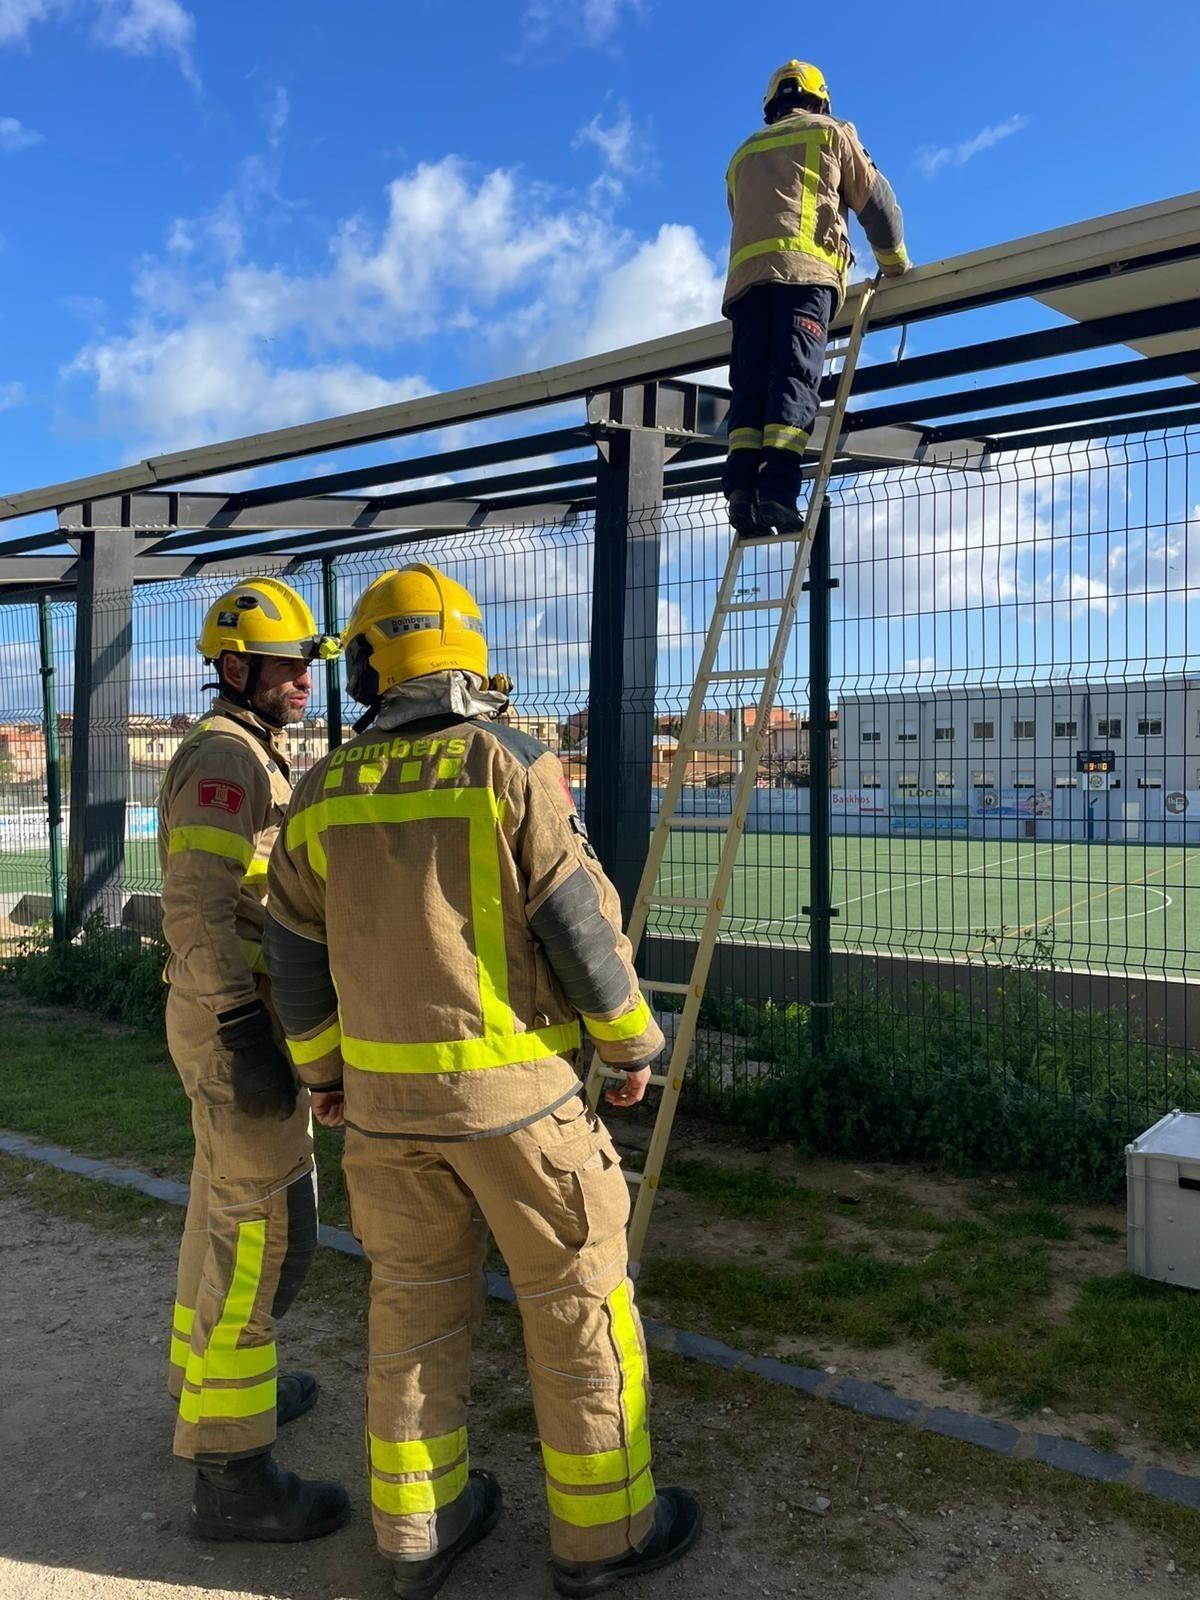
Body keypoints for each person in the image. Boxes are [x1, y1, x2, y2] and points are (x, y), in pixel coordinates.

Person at [263, 563, 701, 1598]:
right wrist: (631, 1047)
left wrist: (323, 1073)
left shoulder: (324, 787)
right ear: (462, 653)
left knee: (411, 1313)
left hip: (381, 1115)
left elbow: (289, 953)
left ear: (377, 659)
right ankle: (605, 1538)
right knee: (577, 1308)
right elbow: (580, 926)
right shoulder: (506, 763)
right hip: (522, 1108)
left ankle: (418, 1533)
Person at [157, 577, 349, 1542]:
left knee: (218, 1215)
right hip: (240, 1027)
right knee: (262, 1242)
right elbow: (196, 905)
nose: (303, 681)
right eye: (286, 665)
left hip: (233, 1020)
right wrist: (243, 1028)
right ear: (234, 669)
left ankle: (207, 1394)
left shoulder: (253, 752)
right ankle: (232, 1473)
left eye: (308, 665)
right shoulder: (227, 760)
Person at [722, 59, 911, 536]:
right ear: (818, 98)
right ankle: (779, 495)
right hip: (804, 279)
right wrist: (894, 265)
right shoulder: (832, 133)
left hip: (745, 287)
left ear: (772, 104)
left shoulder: (742, 155)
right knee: (793, 379)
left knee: (750, 390)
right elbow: (878, 207)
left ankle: (742, 496)